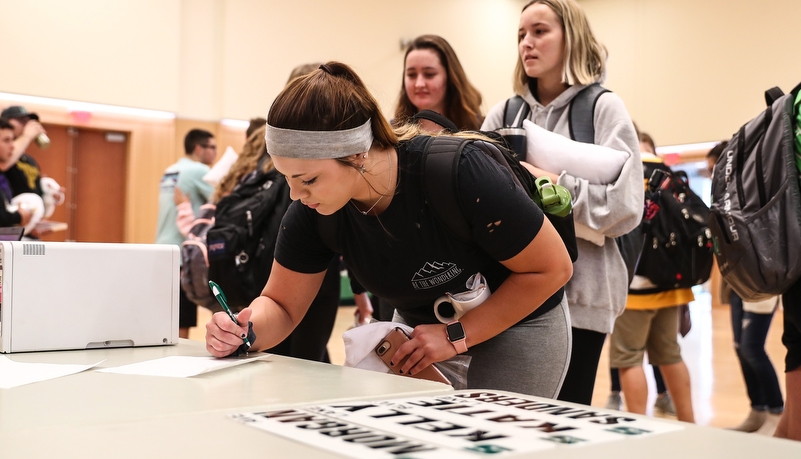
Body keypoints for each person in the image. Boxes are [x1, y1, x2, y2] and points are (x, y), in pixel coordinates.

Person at [206, 62, 574, 397]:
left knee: (500, 442)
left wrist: (454, 336)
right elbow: (282, 306)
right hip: (421, 333)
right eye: (287, 178)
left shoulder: (460, 172)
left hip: (518, 319)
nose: (295, 194)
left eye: (308, 179)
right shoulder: (312, 212)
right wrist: (243, 331)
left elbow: (551, 268)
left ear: (355, 153)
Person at [481, 0, 643, 404]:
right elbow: (475, 191)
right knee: (508, 412)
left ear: (570, 37)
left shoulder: (605, 107)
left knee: (565, 418)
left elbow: (625, 206)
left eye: (539, 31)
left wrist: (554, 185)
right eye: (521, 35)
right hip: (511, 290)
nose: (527, 43)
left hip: (583, 293)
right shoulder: (504, 112)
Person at [608, 131, 694, 422]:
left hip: (633, 287)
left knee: (629, 358)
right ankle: (689, 422)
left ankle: (639, 427)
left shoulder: (624, 167)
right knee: (670, 354)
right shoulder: (670, 173)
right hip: (671, 284)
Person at [707, 141, 785, 434]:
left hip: (761, 279)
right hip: (738, 282)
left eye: (713, 167)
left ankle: (776, 411)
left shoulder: (753, 188)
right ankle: (758, 410)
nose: (711, 173)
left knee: (753, 348)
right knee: (740, 347)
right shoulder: (725, 197)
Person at [156, 129, 217, 338]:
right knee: (182, 316)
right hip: (184, 253)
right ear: (198, 148)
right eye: (212, 147)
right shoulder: (199, 170)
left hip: (162, 249)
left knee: (167, 314)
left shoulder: (170, 170)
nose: (215, 153)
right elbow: (226, 197)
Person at [394, 34, 483, 131]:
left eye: (429, 74)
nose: (419, 84)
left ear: (450, 77)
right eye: (411, 75)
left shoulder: (481, 128)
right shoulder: (391, 134)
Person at [0, 106, 46, 198]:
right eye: (20, 120)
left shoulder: (30, 160)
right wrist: (27, 136)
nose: (25, 125)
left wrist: (48, 193)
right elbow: (4, 164)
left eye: (27, 121)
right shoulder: (4, 156)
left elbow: (35, 191)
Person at [0, 118, 32, 228]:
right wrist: (18, 216)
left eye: (12, 140)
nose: (13, 146)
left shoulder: (3, 176)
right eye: (6, 140)